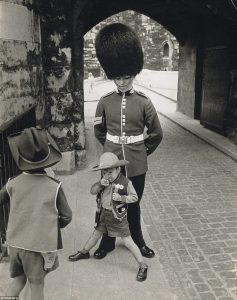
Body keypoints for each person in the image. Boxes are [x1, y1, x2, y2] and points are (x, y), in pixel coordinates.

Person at [93, 23, 163, 259]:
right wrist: (109, 151)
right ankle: (107, 242)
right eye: (117, 78)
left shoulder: (144, 102)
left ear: (134, 73)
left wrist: (142, 151)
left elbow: (156, 133)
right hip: (110, 163)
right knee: (106, 201)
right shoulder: (104, 101)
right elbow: (100, 132)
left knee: (133, 203)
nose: (122, 82)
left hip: (136, 163)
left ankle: (137, 240)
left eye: (126, 77)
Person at [0, 127, 72, 300]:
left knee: (18, 281)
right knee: (37, 286)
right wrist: (51, 224)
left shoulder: (12, 184)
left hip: (15, 245)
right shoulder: (54, 186)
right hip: (37, 248)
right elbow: (67, 216)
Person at [68, 152, 148, 281]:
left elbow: (135, 197)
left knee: (128, 241)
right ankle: (84, 252)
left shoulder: (126, 182)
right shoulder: (103, 181)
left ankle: (142, 265)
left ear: (118, 169)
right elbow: (92, 191)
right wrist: (100, 184)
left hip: (118, 217)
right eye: (104, 172)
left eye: (110, 172)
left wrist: (121, 198)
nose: (107, 175)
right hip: (104, 214)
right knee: (95, 234)